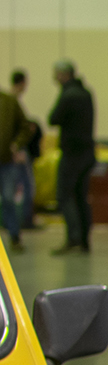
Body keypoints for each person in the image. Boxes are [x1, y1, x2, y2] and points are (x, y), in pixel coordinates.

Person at [47, 59, 94, 253]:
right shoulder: (85, 93)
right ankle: (84, 240)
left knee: (64, 195)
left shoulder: (68, 95)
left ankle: (73, 238)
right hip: (87, 153)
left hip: (72, 154)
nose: (54, 78)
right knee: (81, 196)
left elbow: (53, 118)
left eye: (56, 74)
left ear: (64, 75)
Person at [0, 70, 32, 250]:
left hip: (7, 162)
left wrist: (17, 144)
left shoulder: (9, 103)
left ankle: (14, 237)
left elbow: (25, 127)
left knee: (8, 199)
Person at [12, 72, 40, 229]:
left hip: (15, 148)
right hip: (17, 150)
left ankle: (20, 219)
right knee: (27, 185)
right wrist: (17, 148)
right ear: (23, 83)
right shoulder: (13, 101)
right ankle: (25, 219)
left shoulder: (12, 101)